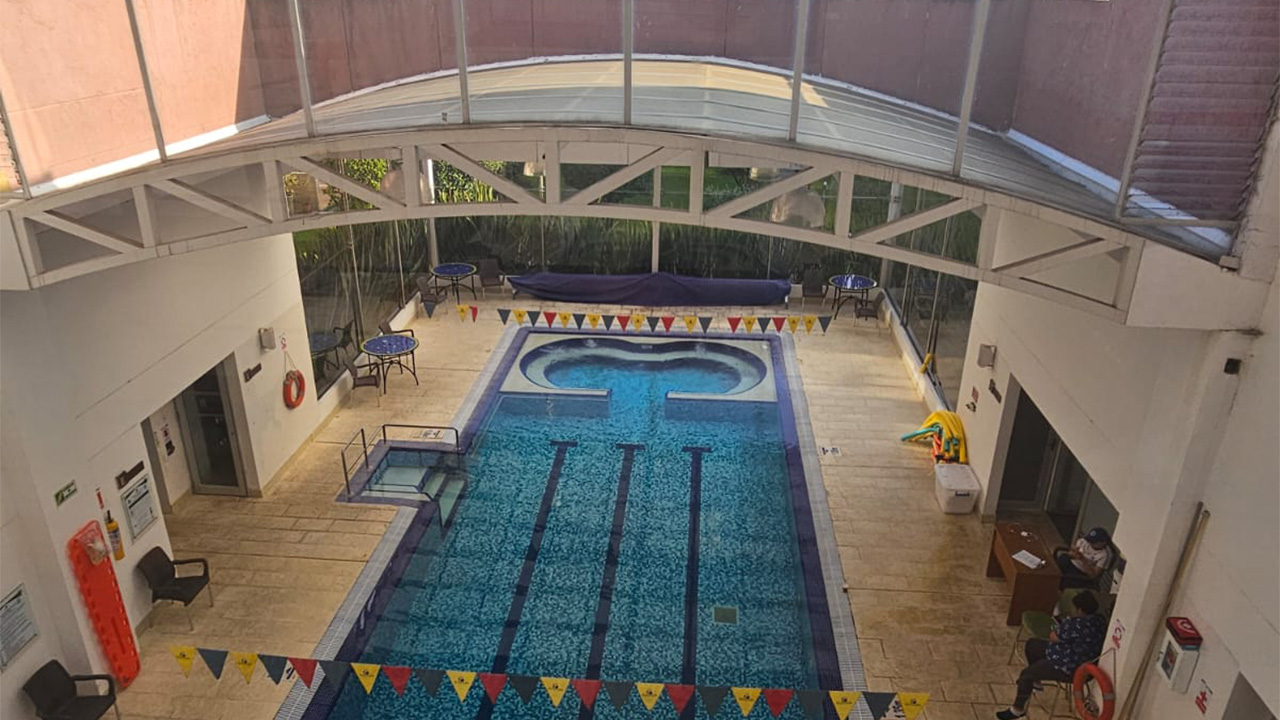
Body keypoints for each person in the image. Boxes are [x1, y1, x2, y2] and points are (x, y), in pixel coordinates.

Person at [996, 591, 1107, 719]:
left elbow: (1054, 636)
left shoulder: (1077, 624)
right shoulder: (1099, 621)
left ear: (1080, 610)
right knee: (1032, 645)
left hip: (1070, 667)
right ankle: (1036, 681)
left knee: (1026, 675)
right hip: (1075, 657)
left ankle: (1017, 709)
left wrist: (1061, 626)